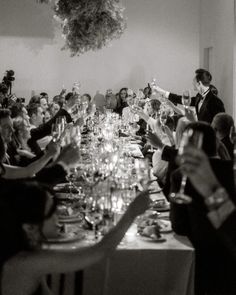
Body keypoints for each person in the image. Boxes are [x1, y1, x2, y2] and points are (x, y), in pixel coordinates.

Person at [0, 180, 150, 295]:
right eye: (52, 211)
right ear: (29, 227)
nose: (58, 214)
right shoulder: (25, 263)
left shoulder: (26, 249)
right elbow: (101, 251)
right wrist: (131, 213)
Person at [170, 122, 236, 295]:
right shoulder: (229, 172)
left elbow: (179, 226)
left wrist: (211, 187)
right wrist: (209, 188)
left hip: (202, 263)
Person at [154, 69, 225, 124]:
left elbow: (220, 125)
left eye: (194, 81)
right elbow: (181, 99)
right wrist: (161, 91)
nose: (192, 83)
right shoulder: (199, 96)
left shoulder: (216, 102)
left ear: (199, 83)